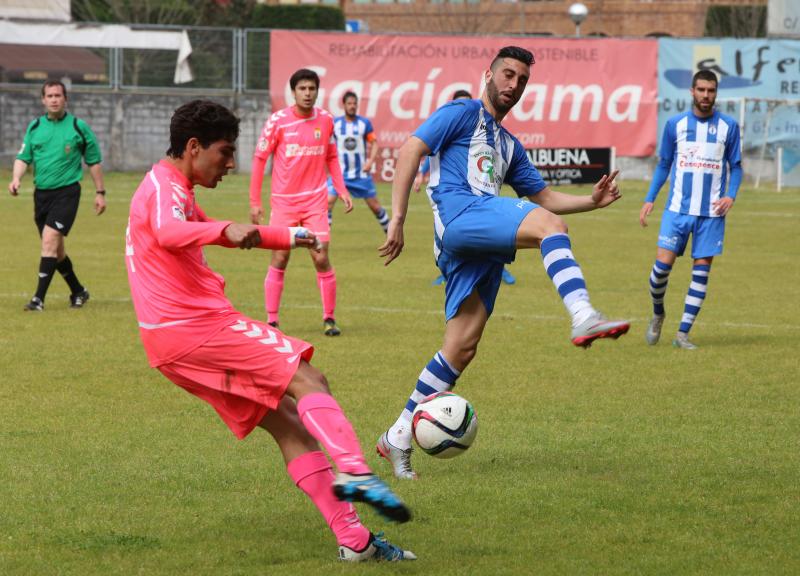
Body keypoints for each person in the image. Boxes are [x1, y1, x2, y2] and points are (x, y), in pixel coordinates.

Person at [125, 100, 414, 562]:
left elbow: (222, 234)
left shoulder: (175, 188)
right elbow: (165, 231)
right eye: (225, 152)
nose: (231, 163)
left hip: (169, 344)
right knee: (309, 380)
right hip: (197, 327)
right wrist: (226, 226)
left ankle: (355, 542)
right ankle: (356, 472)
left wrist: (291, 236)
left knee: (290, 425)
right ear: (194, 147)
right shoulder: (164, 187)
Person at [375, 46, 630, 480]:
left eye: (522, 80)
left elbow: (546, 197)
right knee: (549, 227)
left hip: (479, 242)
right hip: (460, 217)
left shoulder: (509, 146)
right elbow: (411, 150)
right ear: (488, 75)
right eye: (507, 75)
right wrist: (397, 218)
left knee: (461, 347)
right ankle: (583, 314)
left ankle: (397, 436)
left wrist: (591, 200)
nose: (513, 84)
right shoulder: (460, 112)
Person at [640, 69, 742, 350]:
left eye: (711, 91)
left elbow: (737, 166)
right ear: (692, 92)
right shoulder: (675, 124)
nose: (706, 96)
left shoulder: (728, 127)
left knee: (701, 274)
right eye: (701, 90)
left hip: (711, 214)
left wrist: (731, 196)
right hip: (677, 210)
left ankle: (683, 334)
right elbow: (664, 164)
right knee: (660, 271)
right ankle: (658, 313)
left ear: (716, 93)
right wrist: (650, 198)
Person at [250, 68, 353, 336]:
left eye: (312, 89)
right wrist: (255, 201)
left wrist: (340, 189)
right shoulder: (278, 121)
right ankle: (272, 320)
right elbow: (260, 159)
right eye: (302, 89)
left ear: (317, 91)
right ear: (293, 92)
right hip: (284, 204)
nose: (307, 94)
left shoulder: (326, 120)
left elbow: (331, 156)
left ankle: (329, 319)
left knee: (320, 257)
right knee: (280, 257)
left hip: (315, 202)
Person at [8, 80, 107, 311]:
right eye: (49, 96)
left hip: (67, 193)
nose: (54, 99)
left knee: (49, 240)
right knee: (56, 250)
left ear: (65, 99)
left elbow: (93, 161)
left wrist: (100, 192)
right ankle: (78, 291)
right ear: (43, 100)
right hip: (41, 195)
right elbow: (23, 158)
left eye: (58, 95)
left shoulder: (77, 127)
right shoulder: (34, 127)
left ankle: (38, 299)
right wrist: (16, 179)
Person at [413, 89, 517, 287]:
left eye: (467, 103)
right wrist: (421, 174)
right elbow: (431, 151)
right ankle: (447, 273)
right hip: (452, 196)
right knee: (444, 234)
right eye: (459, 104)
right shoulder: (448, 126)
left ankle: (500, 268)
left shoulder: (484, 131)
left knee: (488, 234)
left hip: (479, 193)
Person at [327, 91, 389, 234]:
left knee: (375, 207)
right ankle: (324, 239)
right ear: (344, 105)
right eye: (349, 103)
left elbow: (374, 143)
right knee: (327, 203)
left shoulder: (364, 123)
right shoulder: (335, 124)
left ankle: (391, 233)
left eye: (354, 103)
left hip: (360, 174)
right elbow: (327, 145)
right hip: (339, 174)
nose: (352, 106)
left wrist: (370, 161)